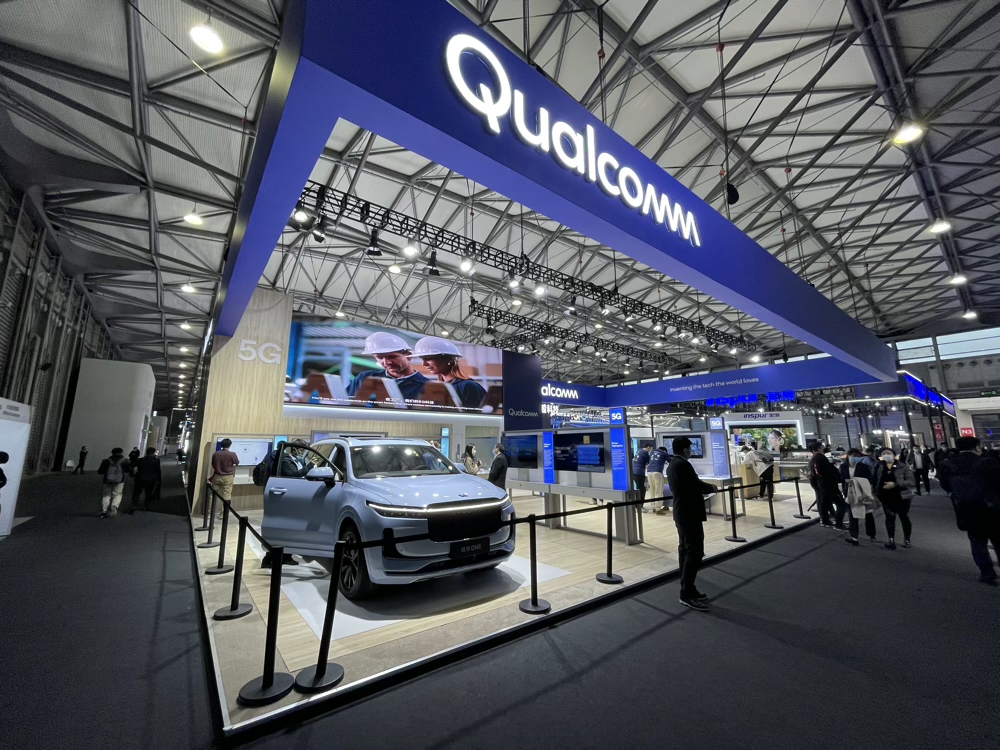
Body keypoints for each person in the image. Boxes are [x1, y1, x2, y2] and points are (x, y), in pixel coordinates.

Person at [937, 436, 1000, 585]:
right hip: (991, 507)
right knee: (998, 539)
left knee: (977, 542)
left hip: (967, 508)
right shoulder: (987, 462)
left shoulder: (948, 464)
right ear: (977, 446)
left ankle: (987, 573)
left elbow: (945, 485)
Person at [667, 436, 718, 611]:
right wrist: (711, 487)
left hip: (682, 512)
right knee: (694, 551)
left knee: (685, 549)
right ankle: (686, 593)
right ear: (685, 449)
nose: (691, 451)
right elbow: (694, 485)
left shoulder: (673, 464)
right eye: (690, 448)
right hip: (689, 513)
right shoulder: (682, 464)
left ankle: (688, 587)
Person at [347, 331, 429, 403]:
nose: (386, 362)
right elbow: (344, 403)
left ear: (409, 357)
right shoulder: (364, 378)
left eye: (392, 357)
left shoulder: (427, 387)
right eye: (380, 358)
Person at [413, 336, 487, 409]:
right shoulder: (436, 388)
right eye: (422, 359)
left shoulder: (468, 387)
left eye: (428, 358)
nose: (424, 364)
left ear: (449, 359)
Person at [874, 448, 916, 550]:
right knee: (890, 517)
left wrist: (895, 484)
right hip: (885, 496)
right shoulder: (879, 466)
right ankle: (891, 540)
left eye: (888, 453)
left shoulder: (902, 466)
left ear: (893, 455)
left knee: (904, 517)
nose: (886, 455)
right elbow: (874, 479)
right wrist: (875, 492)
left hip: (902, 496)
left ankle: (907, 539)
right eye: (884, 454)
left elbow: (911, 481)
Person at [841, 448, 879, 545]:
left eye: (857, 456)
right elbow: (842, 479)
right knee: (852, 514)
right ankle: (854, 537)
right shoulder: (843, 466)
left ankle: (871, 534)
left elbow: (869, 478)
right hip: (850, 492)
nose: (855, 458)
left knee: (867, 513)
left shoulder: (863, 466)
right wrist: (844, 491)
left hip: (862, 491)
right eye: (853, 456)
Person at [809, 443, 847, 529]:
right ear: (818, 449)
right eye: (822, 447)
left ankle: (826, 520)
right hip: (828, 485)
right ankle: (838, 523)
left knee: (824, 502)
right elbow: (827, 472)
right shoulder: (820, 458)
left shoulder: (813, 459)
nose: (824, 448)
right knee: (841, 504)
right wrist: (836, 477)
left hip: (822, 485)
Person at [97, 447, 132, 518]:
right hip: (119, 480)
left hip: (107, 480)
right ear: (121, 453)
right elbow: (129, 470)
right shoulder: (125, 461)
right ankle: (114, 509)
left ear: (112, 453)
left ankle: (104, 510)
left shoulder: (106, 461)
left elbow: (100, 471)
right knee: (118, 494)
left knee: (106, 495)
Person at [210, 438, 240, 505]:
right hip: (228, 477)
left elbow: (213, 464)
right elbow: (237, 462)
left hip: (217, 476)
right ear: (230, 445)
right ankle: (224, 511)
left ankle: (209, 510)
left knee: (213, 494)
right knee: (226, 496)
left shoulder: (216, 454)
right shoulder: (232, 454)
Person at [130, 446, 161, 512]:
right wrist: (158, 480)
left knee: (137, 492)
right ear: (154, 452)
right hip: (151, 479)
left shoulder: (140, 460)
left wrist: (133, 475)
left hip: (140, 478)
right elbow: (158, 471)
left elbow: (132, 466)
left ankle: (134, 505)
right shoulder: (156, 461)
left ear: (147, 452)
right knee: (148, 493)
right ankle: (146, 506)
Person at [647, 444, 669, 514]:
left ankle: (653, 507)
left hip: (649, 472)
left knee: (652, 490)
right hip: (657, 472)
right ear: (664, 450)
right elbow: (671, 461)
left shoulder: (652, 452)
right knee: (658, 491)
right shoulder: (664, 453)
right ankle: (658, 509)